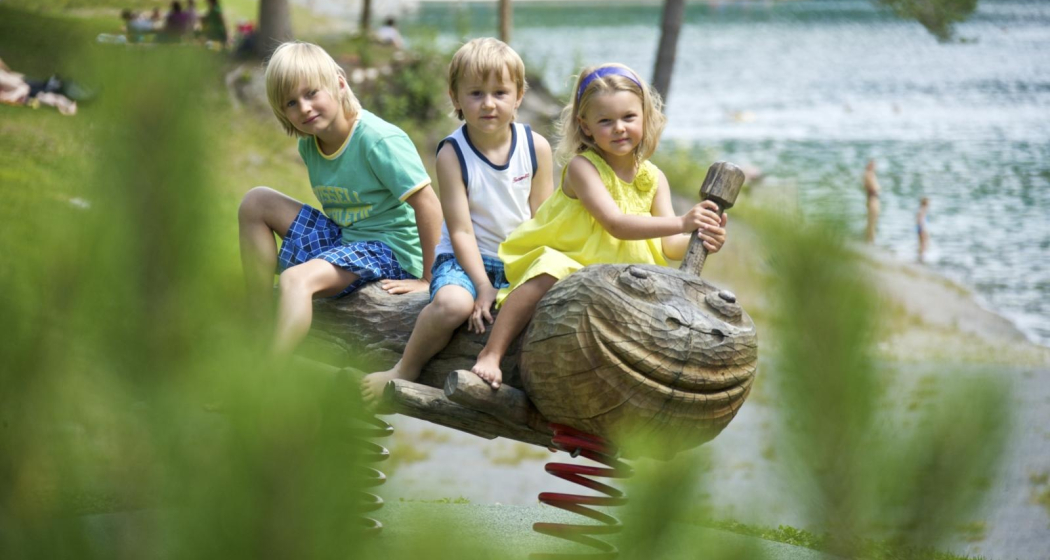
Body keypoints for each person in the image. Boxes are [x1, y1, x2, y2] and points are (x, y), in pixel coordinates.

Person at [469, 63, 728, 389]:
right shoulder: (583, 168)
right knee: (548, 271)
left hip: (627, 271)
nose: (619, 128)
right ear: (586, 126)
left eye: (628, 117)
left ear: (645, 116)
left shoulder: (653, 178)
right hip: (575, 258)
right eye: (606, 121)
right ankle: (491, 354)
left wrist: (698, 235)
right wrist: (680, 220)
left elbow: (669, 246)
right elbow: (615, 224)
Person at [360, 38, 553, 404]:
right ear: (455, 97)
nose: (489, 103)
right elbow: (461, 230)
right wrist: (482, 285)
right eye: (476, 93)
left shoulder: (535, 147)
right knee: (452, 305)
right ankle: (405, 367)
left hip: (518, 259)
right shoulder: (453, 153)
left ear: (519, 95)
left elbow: (543, 220)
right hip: (465, 259)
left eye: (500, 92)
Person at [238, 42, 442, 358]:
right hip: (345, 241)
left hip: (391, 254)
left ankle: (266, 374)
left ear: (340, 82)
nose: (304, 108)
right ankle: (258, 320)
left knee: (296, 279)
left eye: (311, 93)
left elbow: (428, 204)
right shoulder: (310, 144)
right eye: (291, 102)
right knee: (256, 201)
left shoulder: (377, 140)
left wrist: (429, 279)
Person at [863, 158, 881, 243]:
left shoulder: (870, 174)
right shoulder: (868, 174)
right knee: (872, 222)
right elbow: (874, 188)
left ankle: (870, 240)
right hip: (873, 199)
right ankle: (870, 241)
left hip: (874, 199)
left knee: (873, 221)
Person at [916, 197, 930, 262]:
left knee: (922, 243)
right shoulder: (922, 210)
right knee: (923, 243)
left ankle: (921, 256)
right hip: (922, 229)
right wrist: (922, 230)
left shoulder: (921, 210)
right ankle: (921, 257)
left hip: (921, 228)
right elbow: (920, 221)